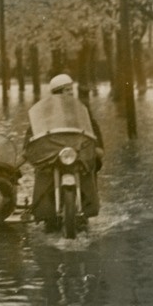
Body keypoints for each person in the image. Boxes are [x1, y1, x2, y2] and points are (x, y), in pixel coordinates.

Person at [24, 74, 104, 221]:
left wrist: (97, 144)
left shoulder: (80, 109)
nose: (71, 93)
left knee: (91, 165)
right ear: (58, 92)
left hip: (76, 152)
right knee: (42, 170)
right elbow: (33, 129)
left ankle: (88, 205)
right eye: (67, 90)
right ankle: (44, 209)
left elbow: (91, 126)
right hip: (53, 153)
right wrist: (29, 143)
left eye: (71, 89)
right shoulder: (45, 111)